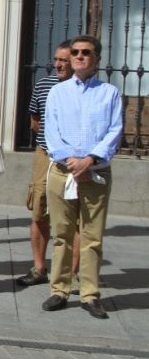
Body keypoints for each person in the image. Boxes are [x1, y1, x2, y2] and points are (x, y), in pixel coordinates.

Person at [41, 35, 122, 319]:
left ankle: (89, 293)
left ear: (96, 58)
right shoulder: (57, 92)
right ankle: (59, 289)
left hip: (95, 173)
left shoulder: (109, 93)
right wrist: (70, 161)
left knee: (92, 237)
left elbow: (114, 131)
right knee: (61, 233)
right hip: (63, 172)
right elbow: (51, 131)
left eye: (85, 52)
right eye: (74, 52)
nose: (79, 56)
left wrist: (90, 160)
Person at [18, 40, 75, 287]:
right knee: (39, 208)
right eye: (57, 59)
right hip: (45, 153)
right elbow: (34, 121)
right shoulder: (43, 86)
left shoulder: (84, 88)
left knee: (73, 214)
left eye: (65, 60)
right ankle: (39, 268)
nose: (59, 64)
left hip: (74, 157)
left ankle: (71, 273)